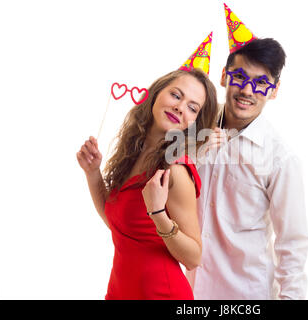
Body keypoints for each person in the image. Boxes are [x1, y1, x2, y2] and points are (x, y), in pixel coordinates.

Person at [76, 36, 218, 299]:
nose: (179, 106)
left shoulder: (175, 171)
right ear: (155, 95)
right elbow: (119, 226)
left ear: (193, 124)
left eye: (192, 107)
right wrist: (93, 172)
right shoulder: (133, 154)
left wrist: (158, 213)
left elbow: (194, 257)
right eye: (176, 94)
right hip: (120, 291)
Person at [185, 4, 308, 300]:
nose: (247, 90)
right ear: (225, 76)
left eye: (261, 83)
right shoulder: (191, 127)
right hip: (182, 289)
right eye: (240, 77)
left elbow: (292, 244)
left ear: (274, 91)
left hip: (243, 295)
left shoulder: (280, 159)